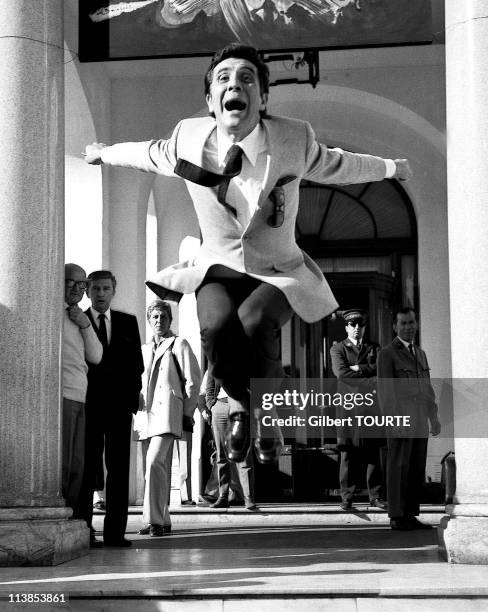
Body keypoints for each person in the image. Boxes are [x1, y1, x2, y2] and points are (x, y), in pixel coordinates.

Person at [84, 42, 412, 465]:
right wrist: (103, 153)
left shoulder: (294, 138)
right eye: (223, 79)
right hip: (218, 265)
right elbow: (148, 154)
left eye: (245, 78)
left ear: (263, 97)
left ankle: (266, 411)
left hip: (276, 268)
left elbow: (339, 166)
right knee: (216, 326)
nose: (234, 85)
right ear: (210, 103)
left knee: (255, 322)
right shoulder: (189, 137)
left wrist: (389, 168)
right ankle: (241, 403)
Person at [79, 270, 143, 547]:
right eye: (96, 289)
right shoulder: (77, 321)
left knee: (118, 471)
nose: (101, 294)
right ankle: (84, 531)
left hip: (119, 408)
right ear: (88, 292)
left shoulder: (128, 322)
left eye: (106, 288)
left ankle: (116, 533)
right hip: (89, 407)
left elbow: (137, 366)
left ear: (113, 290)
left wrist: (132, 400)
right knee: (87, 469)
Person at [135, 300, 201, 537]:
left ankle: (154, 520)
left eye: (163, 317)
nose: (159, 321)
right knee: (154, 469)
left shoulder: (179, 343)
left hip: (168, 414)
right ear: (149, 320)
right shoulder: (143, 349)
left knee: (154, 463)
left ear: (170, 320)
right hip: (146, 416)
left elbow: (193, 380)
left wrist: (186, 413)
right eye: (154, 317)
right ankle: (161, 520)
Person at [377, 307, 441, 531]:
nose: (408, 327)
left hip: (420, 418)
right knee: (398, 466)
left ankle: (411, 514)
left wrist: (434, 418)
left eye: (411, 322)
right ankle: (396, 515)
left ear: (417, 323)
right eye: (403, 323)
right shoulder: (387, 353)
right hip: (400, 417)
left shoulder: (420, 353)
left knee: (415, 467)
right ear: (395, 326)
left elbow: (428, 388)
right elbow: (385, 391)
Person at [330, 308, 386, 511]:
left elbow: (382, 371)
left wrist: (359, 369)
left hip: (371, 407)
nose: (356, 328)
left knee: (373, 452)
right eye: (352, 325)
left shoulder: (374, 347)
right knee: (348, 453)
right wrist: (369, 377)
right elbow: (342, 374)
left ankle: (376, 496)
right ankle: (347, 497)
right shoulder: (338, 349)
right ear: (346, 327)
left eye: (359, 325)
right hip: (348, 409)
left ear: (364, 327)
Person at [62, 264, 102, 524]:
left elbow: (96, 356)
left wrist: (86, 325)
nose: (78, 288)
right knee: (64, 465)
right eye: (72, 283)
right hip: (61, 396)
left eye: (82, 284)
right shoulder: (50, 312)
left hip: (80, 397)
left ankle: (71, 520)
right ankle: (58, 516)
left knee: (78, 465)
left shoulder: (79, 317)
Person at [200, 369, 256, 510]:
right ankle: (223, 496)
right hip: (219, 406)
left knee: (243, 452)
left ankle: (248, 498)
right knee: (221, 455)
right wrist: (211, 404)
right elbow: (210, 385)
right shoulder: (215, 358)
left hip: (239, 404)